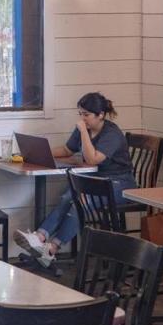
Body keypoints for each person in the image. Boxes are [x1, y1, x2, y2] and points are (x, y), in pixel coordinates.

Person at [12, 92, 137, 267]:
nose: (83, 118)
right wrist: (37, 153)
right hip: (97, 179)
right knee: (68, 195)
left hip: (120, 183)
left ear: (100, 115)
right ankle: (40, 237)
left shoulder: (112, 134)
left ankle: (51, 248)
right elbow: (67, 150)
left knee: (82, 201)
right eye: (80, 114)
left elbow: (92, 159)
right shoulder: (83, 128)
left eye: (86, 115)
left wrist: (84, 132)